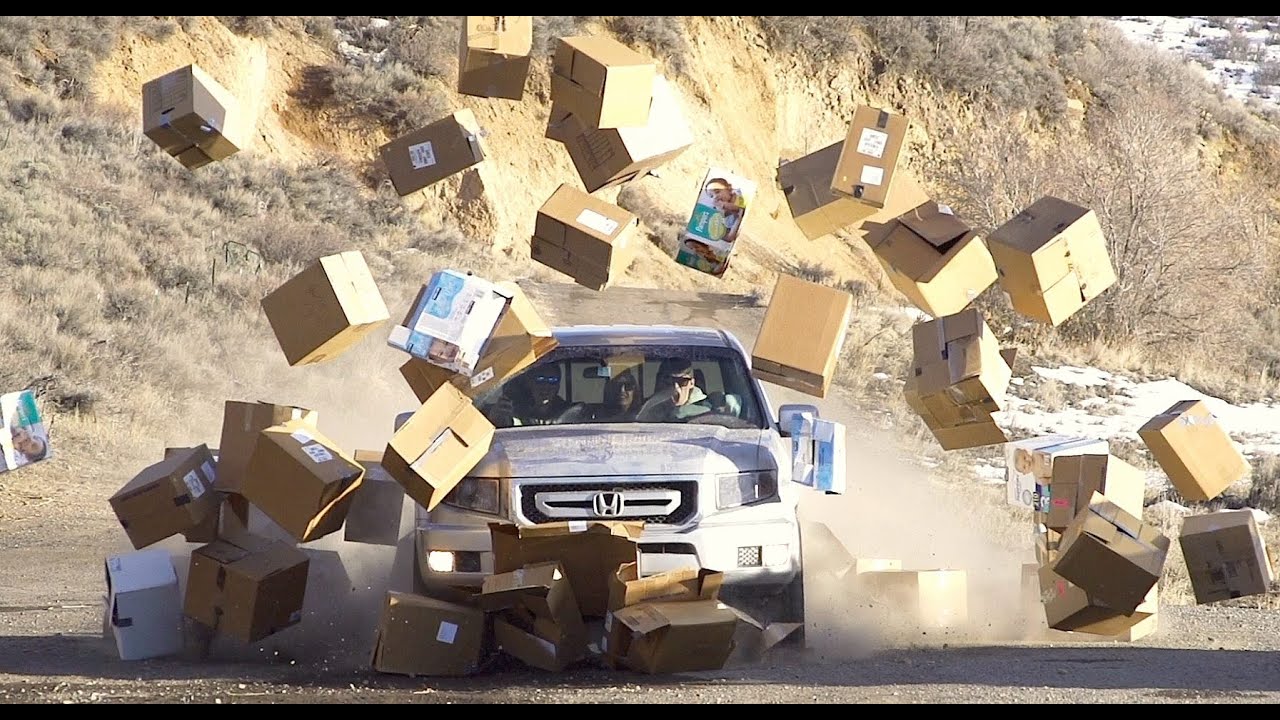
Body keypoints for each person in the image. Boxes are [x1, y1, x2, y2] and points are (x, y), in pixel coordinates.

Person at [486, 364, 571, 427]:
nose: (546, 386)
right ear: (530, 383)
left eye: (552, 380)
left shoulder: (570, 413)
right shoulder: (513, 410)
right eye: (540, 379)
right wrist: (495, 418)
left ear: (558, 386)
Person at [636, 358, 711, 422]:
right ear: (660, 382)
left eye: (682, 381)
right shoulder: (649, 408)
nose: (676, 387)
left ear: (692, 383)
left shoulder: (706, 409)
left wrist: (679, 409)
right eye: (669, 381)